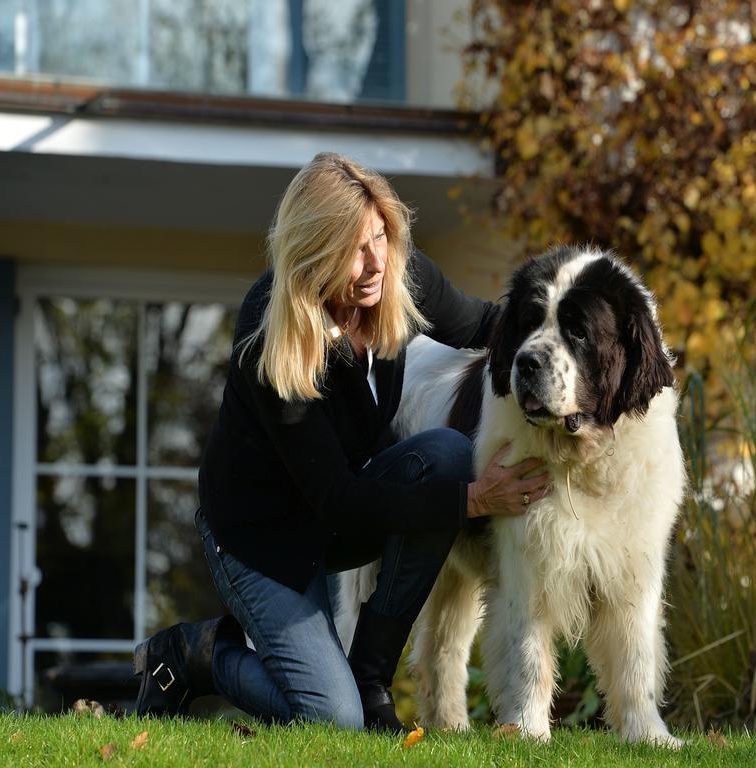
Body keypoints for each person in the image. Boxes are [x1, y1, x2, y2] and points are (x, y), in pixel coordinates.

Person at [133, 152, 551, 732]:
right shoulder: (270, 332)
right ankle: (198, 657)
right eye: (356, 247)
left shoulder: (398, 277)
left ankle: (370, 675)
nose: (377, 260)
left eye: (381, 235)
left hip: (338, 514)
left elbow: (487, 325)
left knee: (447, 459)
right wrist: (476, 500)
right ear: (315, 251)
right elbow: (338, 499)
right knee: (331, 719)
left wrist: (562, 323)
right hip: (261, 542)